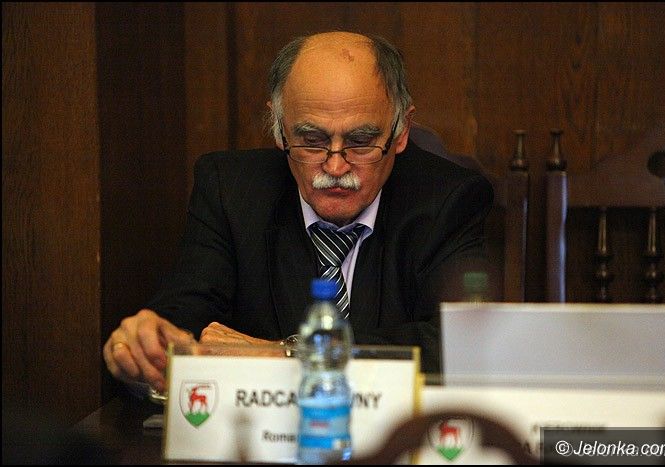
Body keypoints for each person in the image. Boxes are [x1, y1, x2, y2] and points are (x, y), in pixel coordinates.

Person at [103, 31, 493, 393]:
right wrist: (148, 342)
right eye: (312, 141)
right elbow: (187, 313)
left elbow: (462, 345)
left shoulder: (449, 200)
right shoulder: (229, 192)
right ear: (279, 129)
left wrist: (290, 355)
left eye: (360, 142)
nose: (336, 167)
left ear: (401, 130)